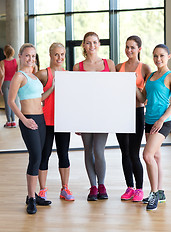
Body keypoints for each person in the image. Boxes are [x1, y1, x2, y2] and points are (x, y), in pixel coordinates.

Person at [8, 43, 52, 214]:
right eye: (27, 55)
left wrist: (53, 87)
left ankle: (33, 195)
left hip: (40, 119)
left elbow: (40, 98)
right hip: (29, 119)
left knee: (40, 157)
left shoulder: (33, 76)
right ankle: (31, 198)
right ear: (20, 56)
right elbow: (11, 101)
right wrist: (25, 120)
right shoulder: (19, 76)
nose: (31, 59)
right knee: (35, 157)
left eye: (33, 56)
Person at [136, 44, 171, 210]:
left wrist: (161, 120)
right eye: (155, 56)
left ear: (168, 56)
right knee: (155, 157)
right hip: (149, 121)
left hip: (163, 122)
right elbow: (142, 99)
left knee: (147, 155)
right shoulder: (151, 76)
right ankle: (160, 192)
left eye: (161, 55)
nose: (158, 59)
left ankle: (154, 193)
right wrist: (133, 84)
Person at [73, 32, 116, 201]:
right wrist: (74, 119)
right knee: (87, 150)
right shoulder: (78, 67)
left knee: (99, 150)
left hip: (103, 114)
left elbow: (115, 90)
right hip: (84, 114)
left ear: (99, 44)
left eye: (95, 42)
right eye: (88, 43)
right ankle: (93, 187)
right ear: (84, 45)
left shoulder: (108, 64)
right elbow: (75, 95)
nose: (92, 46)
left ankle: (102, 184)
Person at [35, 42, 74, 201]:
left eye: (62, 54)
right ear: (50, 55)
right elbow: (30, 87)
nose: (59, 57)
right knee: (45, 155)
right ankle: (42, 190)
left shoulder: (67, 74)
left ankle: (65, 188)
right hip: (46, 121)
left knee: (63, 154)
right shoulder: (44, 74)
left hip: (63, 121)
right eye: (56, 54)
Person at [116, 35, 151, 202]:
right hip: (120, 113)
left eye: (132, 47)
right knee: (124, 152)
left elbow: (145, 98)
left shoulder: (144, 68)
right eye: (127, 47)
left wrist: (132, 84)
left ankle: (139, 189)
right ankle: (129, 187)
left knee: (134, 152)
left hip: (137, 113)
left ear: (139, 49)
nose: (129, 50)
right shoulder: (118, 67)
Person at [0, 45, 18, 128]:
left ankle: (8, 122)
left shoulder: (2, 62)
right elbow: (18, 74)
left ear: (4, 52)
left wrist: (0, 87)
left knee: (7, 103)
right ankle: (14, 121)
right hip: (14, 83)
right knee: (12, 102)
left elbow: (2, 75)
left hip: (6, 83)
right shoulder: (16, 61)